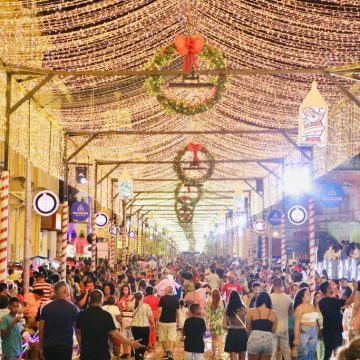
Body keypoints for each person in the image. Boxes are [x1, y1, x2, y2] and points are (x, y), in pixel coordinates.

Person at [75, 290, 143, 360]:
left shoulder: (81, 315)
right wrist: (131, 343)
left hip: (86, 354)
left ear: (89, 299)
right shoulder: (106, 315)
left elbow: (78, 333)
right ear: (101, 300)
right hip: (102, 354)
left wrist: (82, 346)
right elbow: (116, 334)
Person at [39, 280, 79, 360]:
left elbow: (41, 330)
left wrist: (41, 348)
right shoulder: (73, 308)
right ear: (65, 291)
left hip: (49, 346)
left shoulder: (46, 308)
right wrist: (81, 346)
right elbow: (77, 330)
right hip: (65, 346)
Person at [319, 280, 356, 360]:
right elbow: (351, 300)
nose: (333, 287)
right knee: (338, 353)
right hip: (336, 332)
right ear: (328, 289)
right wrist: (355, 287)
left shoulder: (321, 302)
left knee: (327, 353)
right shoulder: (334, 301)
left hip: (326, 331)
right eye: (331, 286)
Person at [246, 291, 278, 360]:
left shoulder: (251, 311)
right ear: (269, 301)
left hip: (255, 339)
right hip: (268, 340)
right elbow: (273, 330)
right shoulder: (274, 313)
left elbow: (248, 328)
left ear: (258, 300)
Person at [293, 288, 319, 360]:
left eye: (310, 294)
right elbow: (296, 324)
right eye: (307, 294)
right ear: (302, 297)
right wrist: (296, 338)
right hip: (304, 333)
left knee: (312, 353)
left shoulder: (312, 306)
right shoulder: (299, 308)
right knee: (303, 354)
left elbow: (317, 315)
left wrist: (317, 304)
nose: (310, 296)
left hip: (314, 332)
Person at [269, 277, 291, 360]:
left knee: (272, 353)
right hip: (284, 327)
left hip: (273, 328)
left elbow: (268, 313)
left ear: (273, 286)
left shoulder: (270, 297)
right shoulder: (288, 298)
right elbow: (290, 313)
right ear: (282, 285)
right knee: (286, 353)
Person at [223, 290, 247, 360]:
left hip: (232, 333)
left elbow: (224, 326)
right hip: (242, 333)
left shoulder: (227, 309)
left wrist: (230, 328)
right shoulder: (243, 308)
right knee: (242, 356)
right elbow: (247, 322)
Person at [157, 285, 180, 360]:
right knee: (172, 338)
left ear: (167, 291)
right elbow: (178, 312)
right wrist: (178, 321)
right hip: (172, 321)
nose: (163, 291)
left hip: (163, 321)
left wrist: (157, 320)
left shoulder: (162, 298)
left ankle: (166, 353)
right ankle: (170, 351)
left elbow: (160, 310)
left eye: (164, 290)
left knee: (163, 338)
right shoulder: (176, 299)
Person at [131, 292, 155, 360]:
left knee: (136, 341)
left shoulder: (132, 305)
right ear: (142, 297)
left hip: (134, 327)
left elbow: (127, 304)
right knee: (145, 342)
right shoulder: (146, 306)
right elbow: (151, 317)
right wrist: (153, 325)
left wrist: (133, 298)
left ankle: (137, 355)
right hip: (144, 327)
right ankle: (141, 354)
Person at [205, 288, 225, 358]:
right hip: (220, 323)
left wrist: (207, 325)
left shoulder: (209, 304)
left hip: (212, 324)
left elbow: (208, 316)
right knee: (220, 341)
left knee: (213, 340)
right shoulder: (222, 302)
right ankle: (219, 355)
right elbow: (224, 313)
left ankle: (214, 354)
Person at [143, 285, 160, 351]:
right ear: (152, 291)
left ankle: (148, 344)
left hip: (147, 314)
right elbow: (159, 308)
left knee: (148, 329)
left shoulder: (144, 298)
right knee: (153, 329)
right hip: (155, 314)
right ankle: (152, 344)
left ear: (146, 291)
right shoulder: (157, 299)